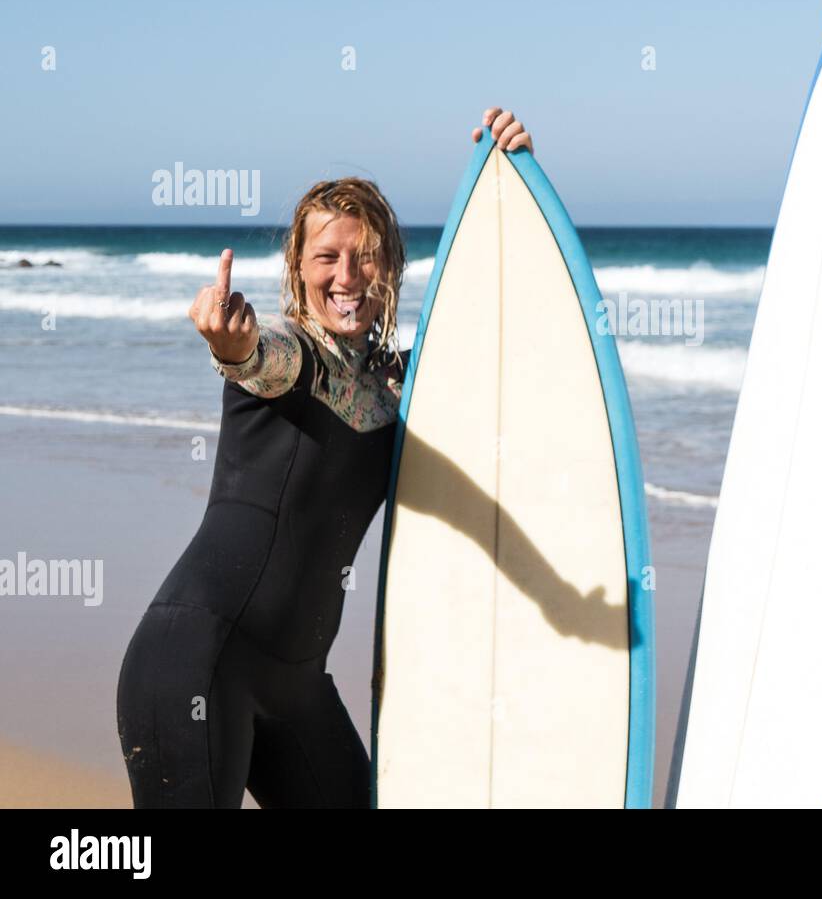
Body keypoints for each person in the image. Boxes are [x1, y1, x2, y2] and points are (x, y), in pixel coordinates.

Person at [116, 107, 533, 808]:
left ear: (392, 264)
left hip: (299, 687)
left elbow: (503, 328)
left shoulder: (400, 385)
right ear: (298, 268)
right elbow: (257, 355)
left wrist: (509, 179)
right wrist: (229, 343)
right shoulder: (294, 351)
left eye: (366, 254)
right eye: (326, 257)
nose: (348, 275)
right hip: (194, 662)